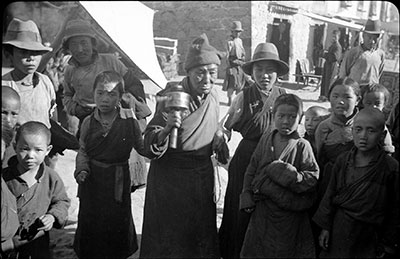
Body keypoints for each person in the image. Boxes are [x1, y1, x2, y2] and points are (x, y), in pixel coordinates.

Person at [139, 33, 227, 258]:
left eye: (212, 73)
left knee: (198, 236)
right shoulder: (173, 96)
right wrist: (167, 129)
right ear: (188, 73)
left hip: (201, 175)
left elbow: (213, 122)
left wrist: (218, 133)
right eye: (200, 73)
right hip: (171, 179)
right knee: (170, 238)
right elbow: (148, 140)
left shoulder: (214, 95)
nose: (207, 80)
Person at [62, 18, 151, 191]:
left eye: (84, 43)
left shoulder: (110, 61)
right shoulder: (70, 70)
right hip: (89, 122)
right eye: (74, 45)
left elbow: (134, 84)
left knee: (119, 176)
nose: (80, 49)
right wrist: (76, 109)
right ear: (68, 48)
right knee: (92, 172)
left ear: (93, 44)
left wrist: (125, 101)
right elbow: (67, 96)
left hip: (118, 122)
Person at [218, 42, 287, 259]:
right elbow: (225, 126)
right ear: (252, 72)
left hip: (274, 160)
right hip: (246, 159)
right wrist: (221, 138)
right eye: (259, 70)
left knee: (268, 210)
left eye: (269, 70)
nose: (264, 75)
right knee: (240, 209)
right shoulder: (243, 97)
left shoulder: (284, 97)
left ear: (277, 73)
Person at [73, 71, 144, 259]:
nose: (105, 99)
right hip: (93, 180)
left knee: (117, 223)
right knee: (92, 222)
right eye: (100, 93)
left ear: (120, 97)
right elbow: (82, 150)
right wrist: (82, 169)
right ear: (94, 93)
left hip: (118, 179)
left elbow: (142, 147)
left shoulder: (129, 119)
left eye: (112, 94)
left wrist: (162, 135)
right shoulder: (88, 121)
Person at [239, 94, 319, 258]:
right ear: (273, 116)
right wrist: (246, 193)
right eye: (281, 116)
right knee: (258, 249)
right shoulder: (266, 138)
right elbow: (252, 167)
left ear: (300, 118)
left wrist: (288, 174)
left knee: (285, 250)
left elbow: (312, 177)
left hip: (288, 211)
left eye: (292, 116)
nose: (285, 121)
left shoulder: (302, 145)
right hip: (263, 210)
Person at [312, 108, 399, 258]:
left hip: (370, 234)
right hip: (340, 229)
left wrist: (388, 243)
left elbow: (395, 208)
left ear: (382, 135)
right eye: (358, 129)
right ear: (352, 131)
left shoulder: (390, 167)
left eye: (371, 131)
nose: (363, 136)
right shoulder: (343, 161)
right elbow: (330, 194)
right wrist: (325, 227)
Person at [1, 18, 67, 169]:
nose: (31, 58)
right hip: (12, 154)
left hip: (40, 152)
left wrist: (55, 139)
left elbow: (52, 116)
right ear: (9, 55)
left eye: (36, 53)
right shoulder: (4, 87)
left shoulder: (45, 82)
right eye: (24, 52)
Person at [2, 121, 70, 259]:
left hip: (37, 240)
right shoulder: (5, 177)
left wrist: (52, 216)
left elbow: (62, 202)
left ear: (48, 150)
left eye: (38, 150)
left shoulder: (51, 178)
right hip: (8, 243)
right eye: (25, 149)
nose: (30, 155)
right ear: (15, 146)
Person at [314, 77, 361, 200]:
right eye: (335, 96)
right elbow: (319, 158)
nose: (340, 101)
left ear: (357, 100)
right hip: (330, 181)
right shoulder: (324, 127)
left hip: (359, 182)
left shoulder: (366, 124)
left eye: (347, 97)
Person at [338, 19, 385, 85]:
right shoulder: (353, 53)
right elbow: (343, 74)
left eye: (375, 38)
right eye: (369, 37)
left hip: (371, 92)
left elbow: (379, 73)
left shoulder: (380, 54)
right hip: (355, 90)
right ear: (363, 35)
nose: (372, 41)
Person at [360, 83, 395, 154]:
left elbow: (387, 149)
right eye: (369, 103)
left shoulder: (381, 127)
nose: (373, 107)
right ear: (362, 102)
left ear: (384, 104)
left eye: (377, 104)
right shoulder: (356, 120)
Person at [222, 21, 248, 106]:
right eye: (236, 32)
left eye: (239, 32)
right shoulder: (229, 42)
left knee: (240, 83)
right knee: (231, 83)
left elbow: (243, 52)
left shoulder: (240, 41)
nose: (237, 34)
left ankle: (238, 99)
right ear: (232, 32)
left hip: (240, 64)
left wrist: (243, 58)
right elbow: (227, 55)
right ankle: (230, 99)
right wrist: (229, 65)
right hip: (232, 64)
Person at [319, 30, 342, 102]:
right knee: (325, 80)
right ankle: (323, 95)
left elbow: (335, 57)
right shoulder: (332, 45)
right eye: (332, 37)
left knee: (330, 81)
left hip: (332, 65)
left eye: (335, 37)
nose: (333, 38)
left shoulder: (337, 46)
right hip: (328, 64)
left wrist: (325, 55)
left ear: (338, 37)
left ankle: (327, 96)